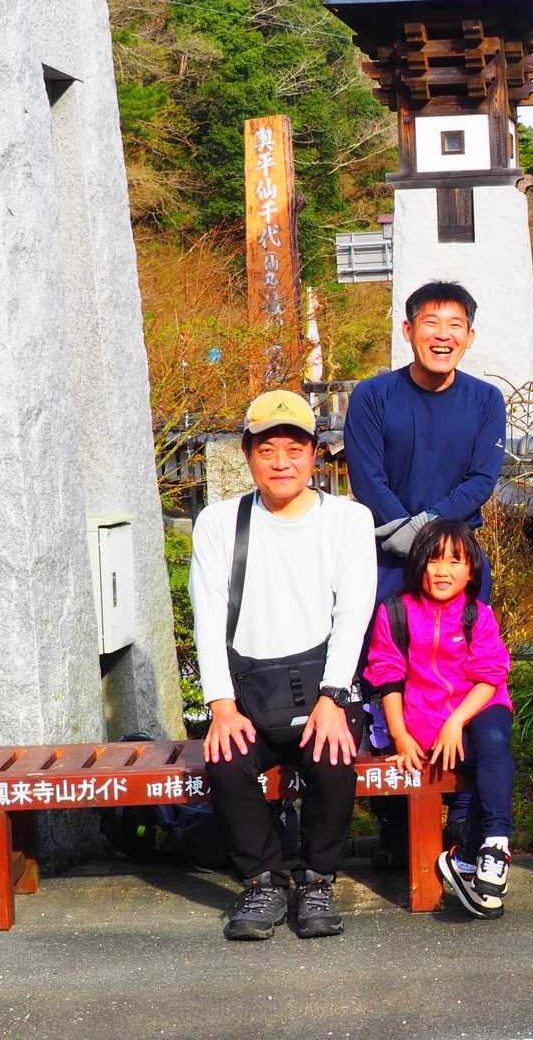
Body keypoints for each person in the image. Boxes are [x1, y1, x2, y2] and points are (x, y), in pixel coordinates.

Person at [190, 390, 376, 941]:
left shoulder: (348, 520)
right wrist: (221, 707)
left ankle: (317, 879)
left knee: (332, 759)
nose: (281, 462)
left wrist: (334, 698)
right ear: (248, 455)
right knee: (225, 761)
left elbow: (353, 614)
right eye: (266, 449)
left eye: (294, 449)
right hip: (249, 692)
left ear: (314, 454)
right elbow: (207, 617)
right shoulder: (219, 522)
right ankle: (262, 881)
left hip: (323, 688)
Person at [345, 279, 506, 859]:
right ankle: (396, 822)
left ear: (470, 336)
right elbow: (367, 478)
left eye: (455, 325)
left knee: (463, 681)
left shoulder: (486, 401)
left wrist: (435, 540)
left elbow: (481, 480)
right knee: (386, 682)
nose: (443, 335)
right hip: (387, 563)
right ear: (408, 330)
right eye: (430, 323)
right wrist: (415, 542)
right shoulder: (373, 396)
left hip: (460, 565)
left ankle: (463, 817)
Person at [364, 519, 514, 918]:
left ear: (471, 570)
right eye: (433, 559)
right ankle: (464, 858)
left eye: (455, 561)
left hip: (477, 707)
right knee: (485, 765)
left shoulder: (478, 614)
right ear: (418, 564)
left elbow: (490, 677)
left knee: (493, 746)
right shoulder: (394, 612)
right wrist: (399, 736)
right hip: (424, 718)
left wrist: (456, 721)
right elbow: (387, 676)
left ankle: (494, 846)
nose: (443, 570)